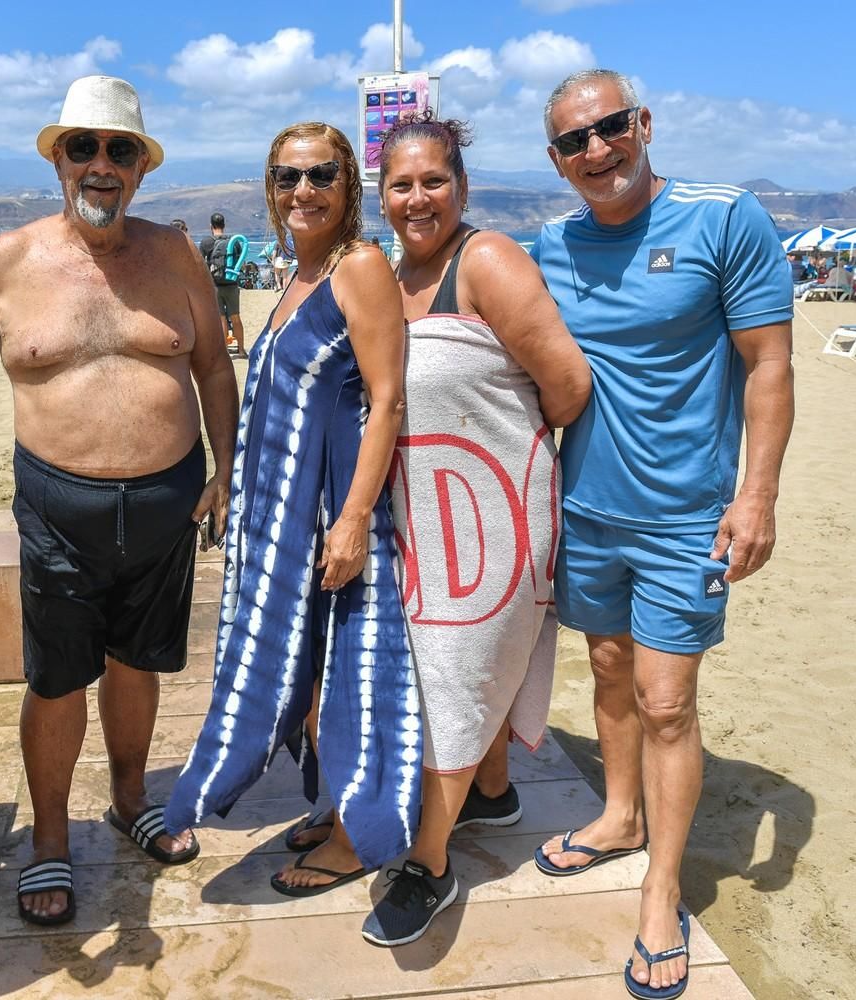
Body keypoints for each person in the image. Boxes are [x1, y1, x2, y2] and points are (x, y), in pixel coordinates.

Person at [0, 75, 238, 927]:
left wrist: (224, 467)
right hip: (60, 510)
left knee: (141, 664)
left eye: (120, 150)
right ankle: (50, 839)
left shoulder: (174, 254)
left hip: (168, 500)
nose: (101, 165)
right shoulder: (7, 260)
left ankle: (132, 798)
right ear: (57, 160)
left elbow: (212, 362)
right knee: (59, 677)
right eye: (83, 148)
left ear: (141, 168)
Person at [290, 109, 587, 947]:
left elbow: (566, 386)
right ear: (379, 196)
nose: (418, 198)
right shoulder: (389, 274)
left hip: (492, 512)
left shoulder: (485, 260)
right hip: (421, 519)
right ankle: (491, 794)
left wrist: (493, 444)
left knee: (454, 675)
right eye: (401, 185)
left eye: (434, 182)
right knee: (436, 672)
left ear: (462, 186)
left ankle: (429, 862)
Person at [532, 70, 795, 1000]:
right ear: (557, 161)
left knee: (668, 701)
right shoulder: (551, 244)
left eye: (610, 128)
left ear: (643, 124)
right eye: (574, 141)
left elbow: (767, 365)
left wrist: (756, 495)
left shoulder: (726, 218)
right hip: (586, 508)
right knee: (606, 668)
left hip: (688, 513)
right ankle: (618, 815)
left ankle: (660, 888)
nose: (597, 151)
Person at [164, 122, 420, 899]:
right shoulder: (300, 278)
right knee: (301, 672)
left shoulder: (361, 267)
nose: (301, 191)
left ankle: (355, 835)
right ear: (269, 193)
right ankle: (335, 804)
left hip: (336, 516)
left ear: (349, 187)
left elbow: (387, 402)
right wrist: (228, 480)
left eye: (319, 176)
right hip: (285, 518)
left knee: (347, 670)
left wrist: (350, 520)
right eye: (285, 178)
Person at [200, 212, 248, 353]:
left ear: (211, 226)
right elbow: (241, 263)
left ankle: (225, 350)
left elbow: (201, 264)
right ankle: (240, 350)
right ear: (224, 225)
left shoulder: (206, 242)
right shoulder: (234, 241)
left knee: (221, 319)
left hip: (215, 285)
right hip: (232, 285)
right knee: (236, 317)